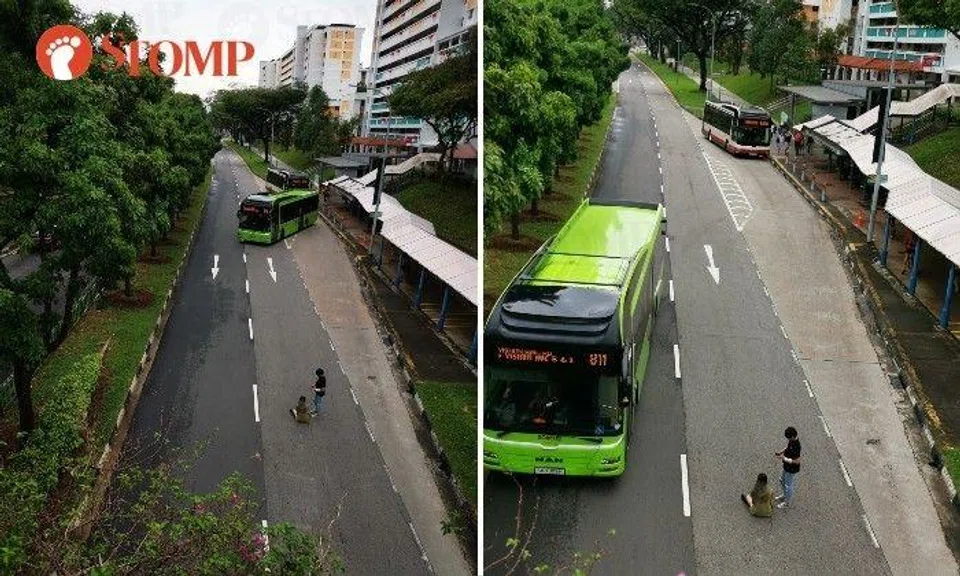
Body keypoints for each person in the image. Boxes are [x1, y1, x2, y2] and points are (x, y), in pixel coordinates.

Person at [775, 427, 802, 508]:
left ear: (793, 436)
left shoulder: (797, 446)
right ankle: (784, 495)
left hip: (792, 469)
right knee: (782, 480)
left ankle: (786, 503)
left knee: (788, 486)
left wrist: (784, 458)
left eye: (789, 438)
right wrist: (781, 452)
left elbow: (797, 461)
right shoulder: (792, 440)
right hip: (786, 466)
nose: (788, 439)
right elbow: (787, 446)